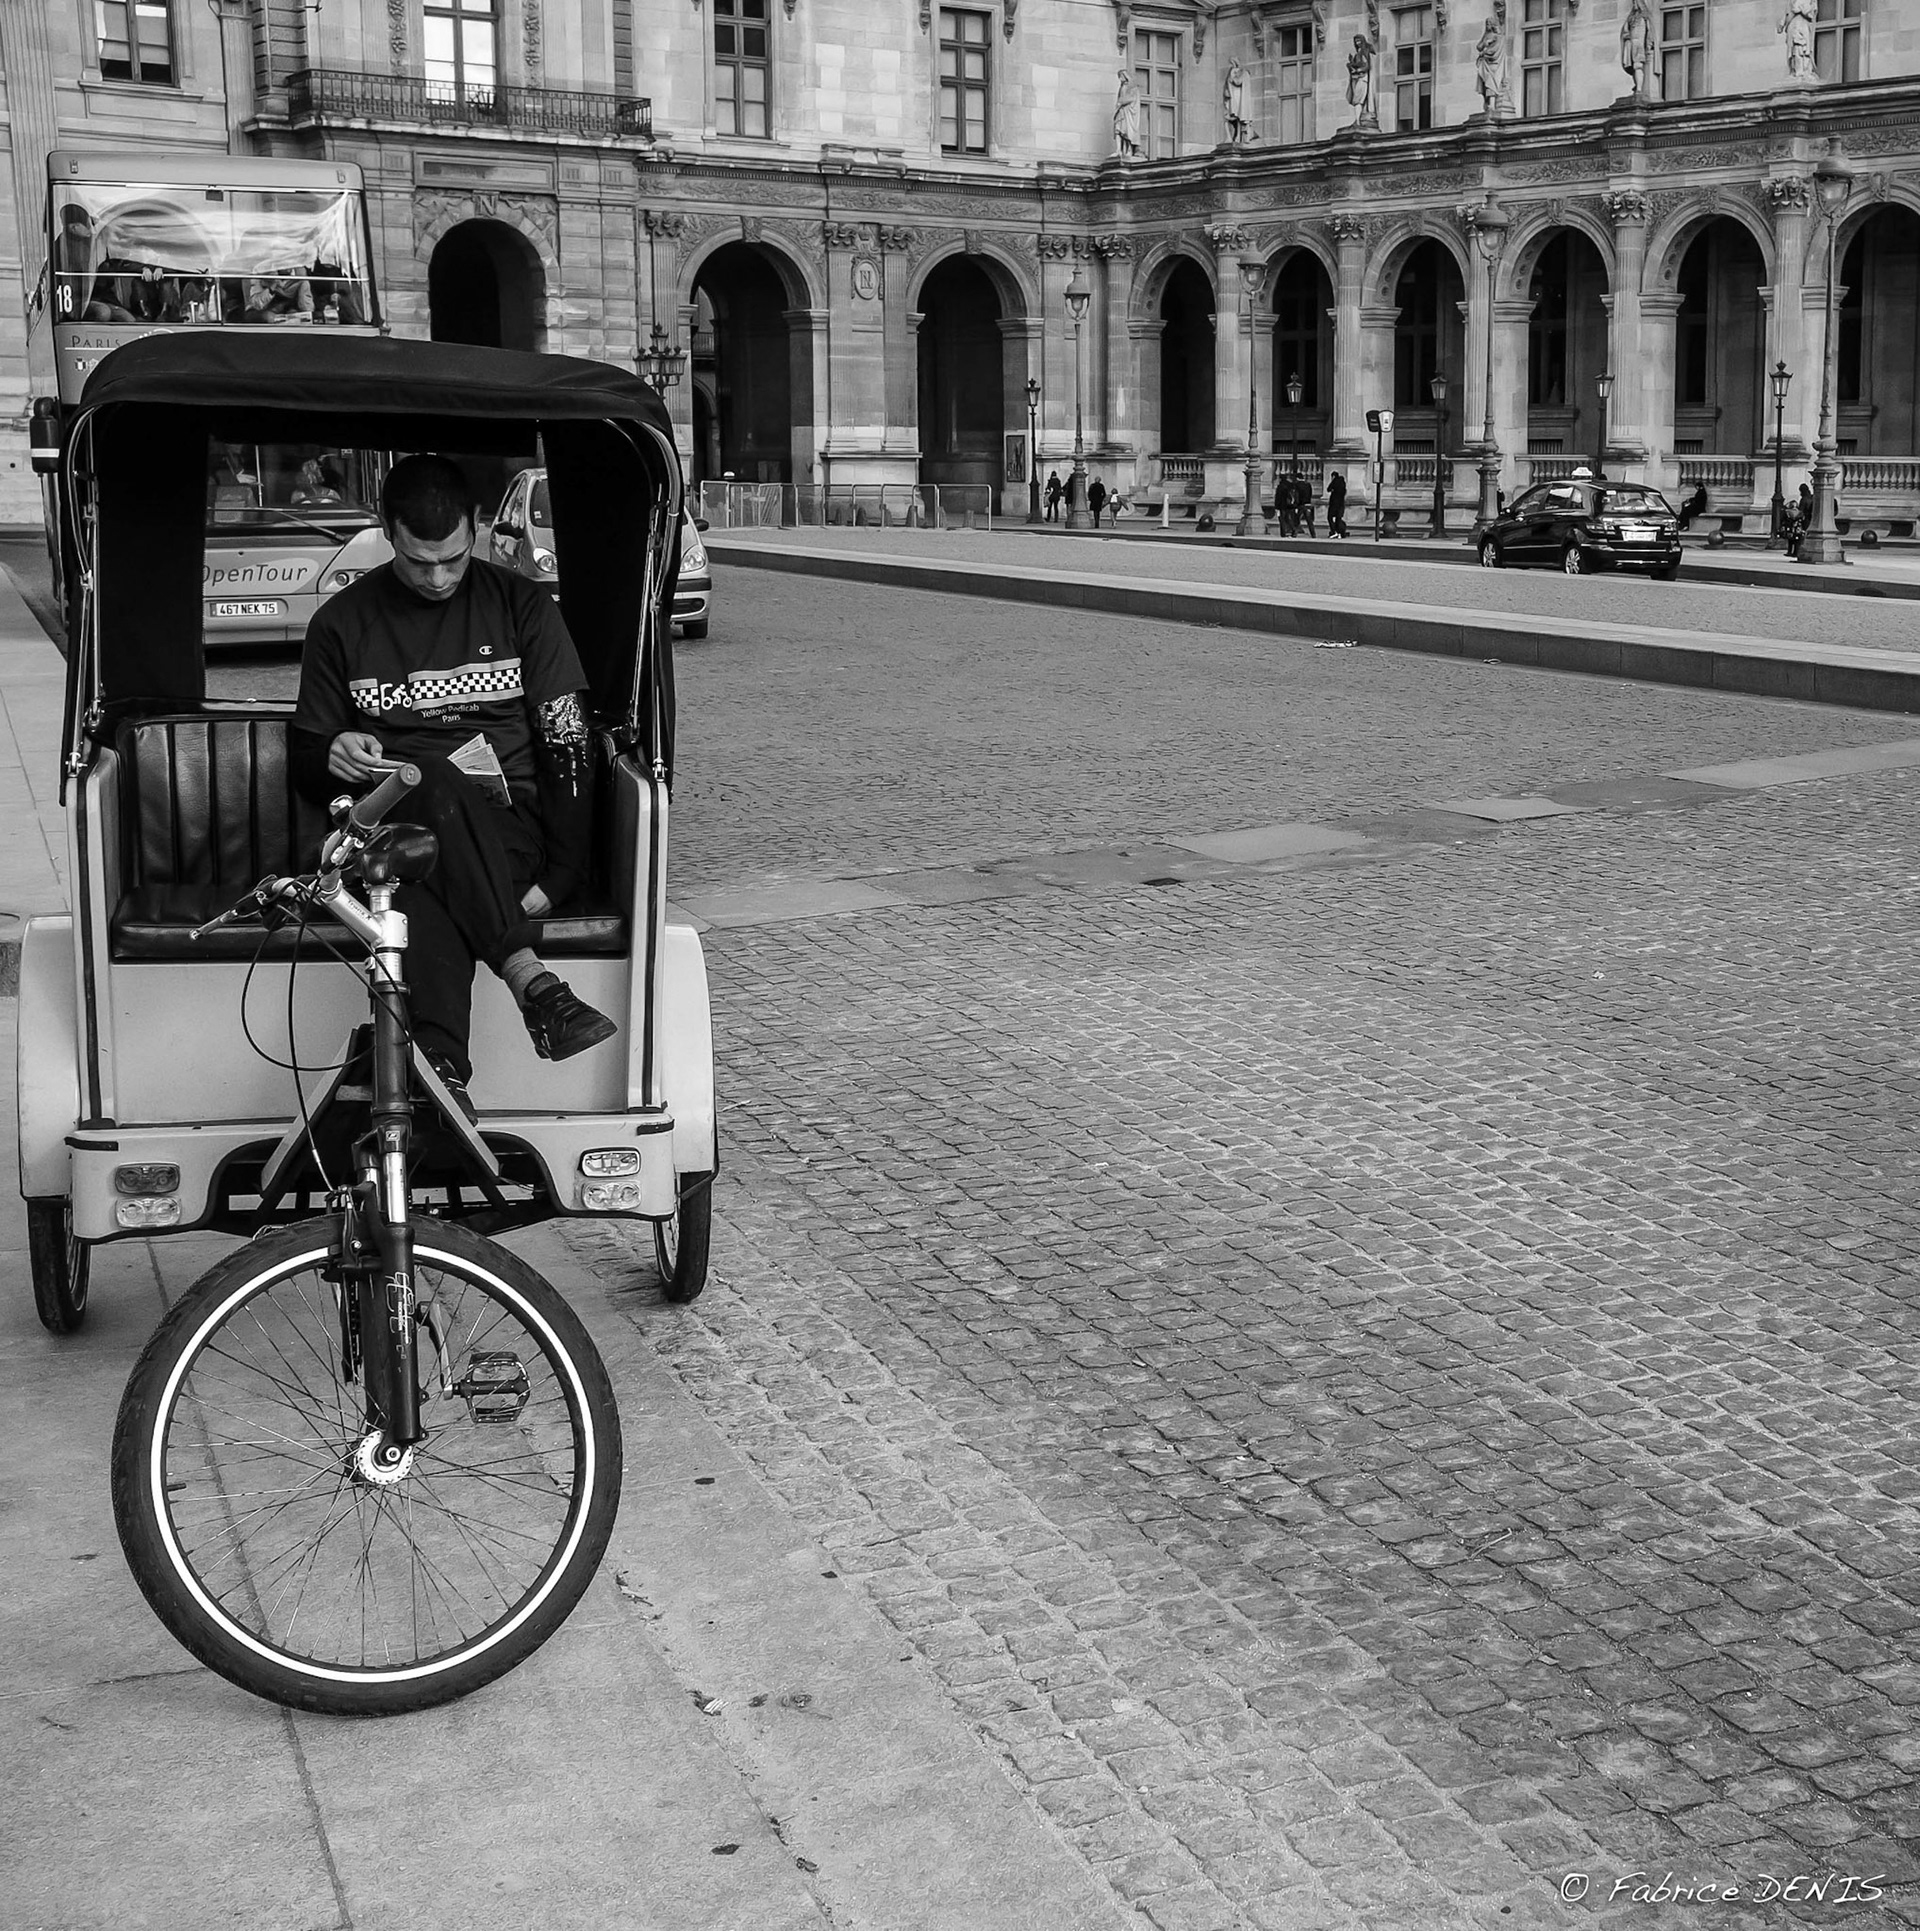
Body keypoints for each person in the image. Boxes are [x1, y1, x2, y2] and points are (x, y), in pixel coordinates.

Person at [291, 454, 617, 1116]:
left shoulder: (522, 605)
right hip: (380, 833)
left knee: (416, 871)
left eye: (454, 559)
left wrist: (559, 877)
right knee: (423, 790)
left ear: (474, 527)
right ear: (389, 533)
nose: (438, 578)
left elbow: (568, 741)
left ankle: (439, 1070)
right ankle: (533, 984)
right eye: (418, 562)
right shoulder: (341, 623)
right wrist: (333, 749)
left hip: (504, 835)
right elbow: (303, 762)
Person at [244, 271, 314, 323]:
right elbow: (256, 304)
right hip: (264, 309)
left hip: (288, 308)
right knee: (269, 318)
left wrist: (306, 313)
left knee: (296, 318)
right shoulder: (259, 273)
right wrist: (272, 288)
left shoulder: (300, 273)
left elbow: (307, 306)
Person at [1326, 470, 1349, 538]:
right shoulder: (1343, 484)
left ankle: (1334, 531)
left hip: (1334, 504)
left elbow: (1328, 489)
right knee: (1338, 518)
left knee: (1330, 518)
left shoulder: (1334, 482)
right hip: (1341, 504)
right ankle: (1340, 532)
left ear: (1333, 476)